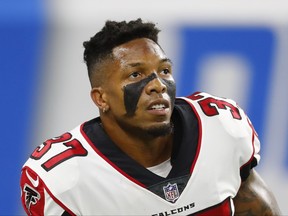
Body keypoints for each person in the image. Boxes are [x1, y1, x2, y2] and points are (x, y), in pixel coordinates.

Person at [20, 18, 281, 216]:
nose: (157, 84)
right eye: (136, 74)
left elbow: (257, 206)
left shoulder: (220, 127)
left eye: (164, 70)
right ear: (101, 99)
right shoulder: (64, 177)